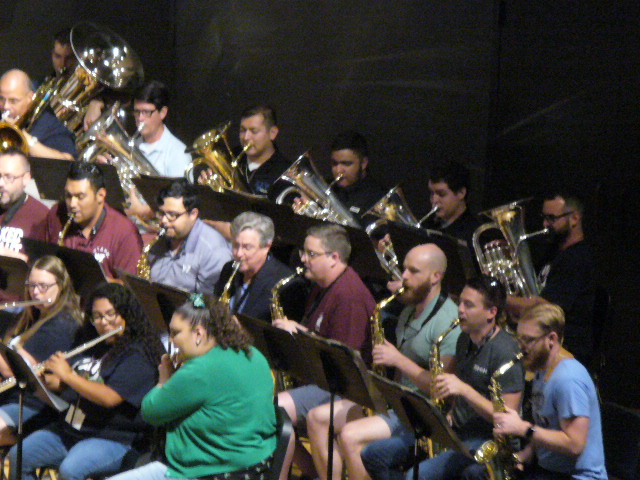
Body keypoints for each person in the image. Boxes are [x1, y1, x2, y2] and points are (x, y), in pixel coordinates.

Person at [306, 243, 460, 480]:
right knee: (317, 418)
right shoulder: (408, 310)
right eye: (404, 269)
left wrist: (397, 360)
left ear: (436, 277)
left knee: (349, 436)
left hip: (422, 413)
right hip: (397, 401)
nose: (404, 276)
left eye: (413, 271)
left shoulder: (448, 322)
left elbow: (441, 390)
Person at [361, 275, 525, 480]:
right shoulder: (464, 339)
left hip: (486, 440)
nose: (460, 310)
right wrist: (449, 410)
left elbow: (507, 417)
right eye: (460, 302)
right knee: (372, 454)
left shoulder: (506, 352)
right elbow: (455, 387)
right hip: (455, 428)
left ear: (491, 312)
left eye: (469, 305)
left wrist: (465, 390)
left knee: (416, 476)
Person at [107, 295, 278, 480]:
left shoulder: (200, 370)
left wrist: (164, 380)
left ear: (198, 333)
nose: (171, 340)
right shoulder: (253, 353)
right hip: (256, 466)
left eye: (175, 333)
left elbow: (150, 411)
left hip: (211, 472)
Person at [9, 282, 164, 480]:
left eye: (110, 314)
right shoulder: (91, 342)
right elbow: (71, 384)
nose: (104, 322)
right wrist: (47, 381)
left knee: (70, 470)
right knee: (18, 456)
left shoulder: (139, 354)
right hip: (73, 427)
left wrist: (67, 376)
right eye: (97, 316)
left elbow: (109, 397)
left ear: (126, 314)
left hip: (111, 436)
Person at [273, 224, 376, 480]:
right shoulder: (323, 284)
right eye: (303, 252)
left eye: (311, 254)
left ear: (334, 258)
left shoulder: (349, 296)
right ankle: (310, 472)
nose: (303, 259)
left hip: (344, 389)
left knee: (276, 408)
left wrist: (301, 336)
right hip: (323, 381)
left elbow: (346, 361)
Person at [494, 303, 607, 480]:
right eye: (519, 338)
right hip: (549, 471)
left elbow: (575, 445)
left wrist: (523, 428)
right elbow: (548, 426)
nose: (521, 347)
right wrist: (526, 453)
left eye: (528, 340)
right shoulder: (542, 369)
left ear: (551, 339)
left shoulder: (568, 380)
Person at [506, 191, 595, 367]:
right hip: (541, 338)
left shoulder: (577, 259)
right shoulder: (555, 250)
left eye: (551, 218)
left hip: (564, 348)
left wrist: (498, 299)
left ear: (574, 218)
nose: (545, 224)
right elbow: (532, 288)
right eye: (544, 218)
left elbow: (544, 308)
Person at [0, 255, 83, 443]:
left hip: (34, 405)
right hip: (12, 395)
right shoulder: (32, 314)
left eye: (43, 286)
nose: (35, 292)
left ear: (61, 286)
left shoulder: (62, 325)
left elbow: (13, 370)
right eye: (31, 285)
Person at [45, 162, 143, 280]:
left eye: (80, 197)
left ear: (101, 195)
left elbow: (130, 285)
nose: (72, 204)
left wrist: (97, 281)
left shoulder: (125, 232)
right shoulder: (56, 214)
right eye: (68, 196)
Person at [214, 211, 306, 322]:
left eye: (247, 247)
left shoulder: (288, 286)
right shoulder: (229, 268)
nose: (238, 253)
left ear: (267, 246)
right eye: (235, 245)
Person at [124, 80, 193, 223]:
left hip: (158, 230)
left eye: (146, 112)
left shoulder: (178, 153)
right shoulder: (131, 146)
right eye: (137, 112)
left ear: (162, 113)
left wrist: (146, 211)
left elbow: (181, 205)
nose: (140, 118)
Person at [148, 179, 232, 294]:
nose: (164, 221)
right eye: (161, 213)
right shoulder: (161, 240)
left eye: (172, 215)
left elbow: (208, 302)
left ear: (193, 214)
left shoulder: (213, 251)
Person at [0, 69, 76, 159]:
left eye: (13, 101)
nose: (6, 106)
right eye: (1, 99)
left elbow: (68, 159)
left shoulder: (49, 124)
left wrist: (23, 136)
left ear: (30, 98)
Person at [0, 147, 49, 257]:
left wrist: (11, 256)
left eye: (9, 177)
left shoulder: (42, 216)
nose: (1, 183)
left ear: (26, 179)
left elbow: (46, 263)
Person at [423, 160, 480, 248]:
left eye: (441, 194)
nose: (434, 200)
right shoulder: (427, 225)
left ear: (461, 193)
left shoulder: (476, 234)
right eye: (432, 193)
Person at [328, 130, 385, 218]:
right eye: (334, 164)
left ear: (363, 163)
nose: (338, 170)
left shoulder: (378, 197)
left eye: (346, 164)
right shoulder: (329, 188)